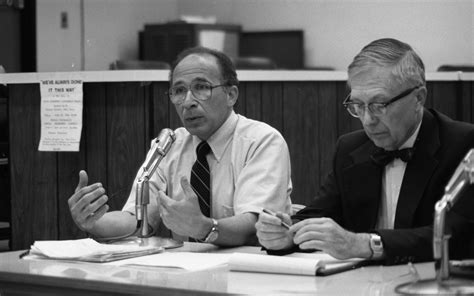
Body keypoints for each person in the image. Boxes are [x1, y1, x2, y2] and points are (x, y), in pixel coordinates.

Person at [256, 38, 474, 264]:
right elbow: (321, 214)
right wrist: (286, 233)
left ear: (418, 98)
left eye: (379, 105)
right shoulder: (350, 148)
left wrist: (365, 244)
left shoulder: (463, 144)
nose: (368, 120)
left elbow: (456, 234)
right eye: (358, 106)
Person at [68, 47, 292, 246]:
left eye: (201, 87)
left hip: (245, 273)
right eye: (179, 91)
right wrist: (94, 221)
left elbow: (253, 225)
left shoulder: (262, 142)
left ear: (231, 94)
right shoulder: (170, 144)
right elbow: (137, 220)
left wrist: (203, 227)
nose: (188, 101)